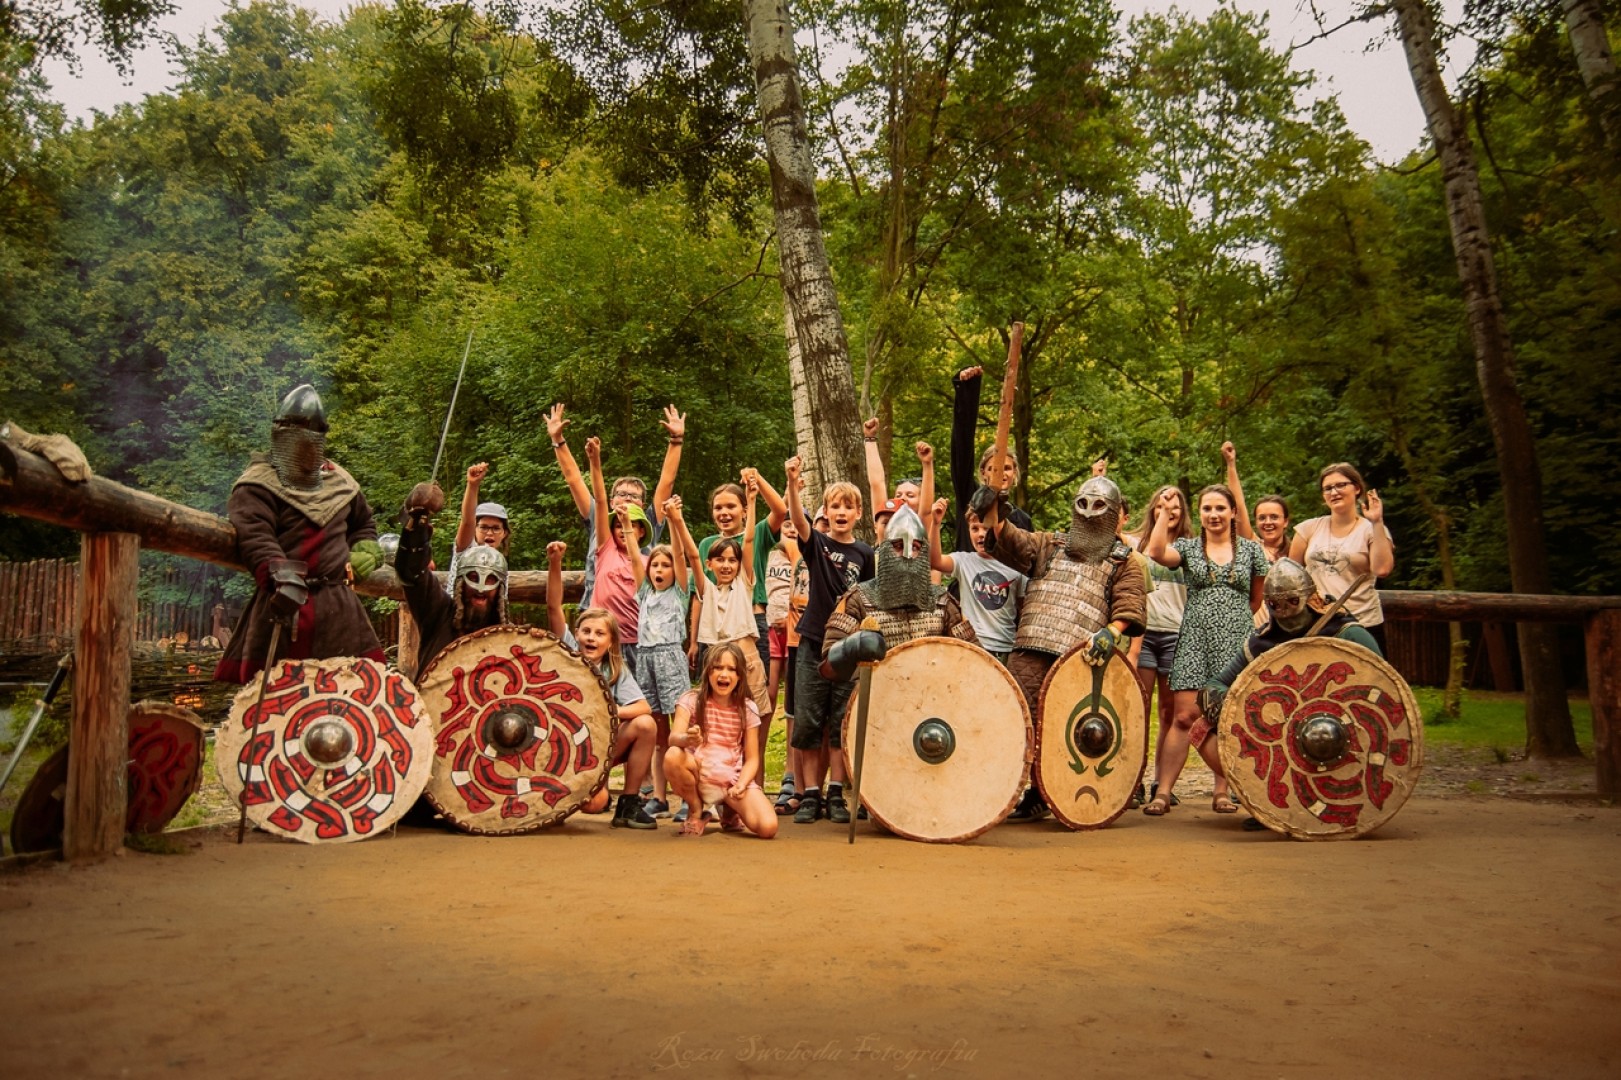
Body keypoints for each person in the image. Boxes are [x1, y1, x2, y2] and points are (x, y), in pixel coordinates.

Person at [972, 473, 1147, 821]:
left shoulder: (1123, 561)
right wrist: (996, 514)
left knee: (1062, 727)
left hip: (1080, 656)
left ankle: (1042, 794)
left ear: (1114, 512)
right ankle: (1002, 791)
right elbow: (1011, 542)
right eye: (1084, 503)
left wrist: (1111, 632)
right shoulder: (1049, 545)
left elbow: (1128, 603)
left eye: (1099, 505)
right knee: (1016, 718)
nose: (1090, 510)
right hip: (1033, 644)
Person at [215, 384, 384, 683]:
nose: (307, 437)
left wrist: (364, 549)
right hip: (282, 604)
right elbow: (256, 535)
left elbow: (363, 524)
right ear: (282, 431)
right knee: (277, 696)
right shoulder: (258, 484)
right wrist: (280, 575)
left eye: (313, 431)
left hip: (339, 607)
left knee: (351, 693)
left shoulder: (340, 482)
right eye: (300, 429)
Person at [1142, 482, 1268, 817]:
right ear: (1199, 514)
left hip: (1236, 643)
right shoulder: (1188, 547)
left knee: (1229, 718)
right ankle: (1163, 792)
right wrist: (1164, 511)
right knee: (1184, 716)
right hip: (1195, 641)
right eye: (1207, 509)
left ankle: (1222, 791)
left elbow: (1256, 599)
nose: (1214, 514)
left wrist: (1229, 620)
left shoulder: (1251, 551)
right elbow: (1156, 552)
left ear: (1233, 512)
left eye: (1220, 508)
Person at [784, 454, 875, 825]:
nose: (841, 512)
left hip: (847, 647)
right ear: (826, 511)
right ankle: (810, 794)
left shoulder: (865, 554)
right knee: (808, 720)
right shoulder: (817, 544)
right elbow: (797, 520)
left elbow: (868, 597)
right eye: (834, 506)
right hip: (811, 641)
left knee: (839, 721)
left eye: (847, 507)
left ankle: (836, 793)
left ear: (858, 513)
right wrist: (792, 483)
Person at [546, 542, 659, 830]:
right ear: (576, 634)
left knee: (646, 725)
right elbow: (554, 607)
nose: (591, 638)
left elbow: (643, 707)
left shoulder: (614, 669)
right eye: (586, 631)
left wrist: (608, 711)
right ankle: (554, 796)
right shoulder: (568, 654)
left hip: (597, 749)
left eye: (599, 634)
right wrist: (555, 563)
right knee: (593, 803)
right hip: (562, 750)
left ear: (610, 642)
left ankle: (629, 804)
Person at [546, 402, 683, 606]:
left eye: (634, 496)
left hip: (639, 612)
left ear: (642, 505)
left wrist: (676, 440)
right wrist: (558, 440)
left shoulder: (649, 523)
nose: (627, 498)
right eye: (621, 494)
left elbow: (667, 482)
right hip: (597, 611)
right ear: (611, 502)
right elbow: (574, 479)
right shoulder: (598, 518)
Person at [820, 503, 978, 668]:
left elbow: (976, 659)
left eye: (915, 547)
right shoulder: (859, 599)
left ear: (924, 553)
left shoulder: (942, 601)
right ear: (885, 550)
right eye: (898, 546)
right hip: (877, 685)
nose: (907, 555)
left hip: (931, 683)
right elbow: (828, 667)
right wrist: (853, 647)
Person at [663, 642, 779, 839]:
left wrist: (741, 784)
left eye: (731, 669)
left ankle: (729, 810)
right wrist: (688, 739)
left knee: (768, 827)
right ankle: (696, 809)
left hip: (729, 780)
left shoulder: (747, 708)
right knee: (672, 755)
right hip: (699, 773)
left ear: (740, 675)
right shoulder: (690, 699)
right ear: (707, 671)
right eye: (717, 667)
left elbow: (752, 758)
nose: (724, 674)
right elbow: (673, 738)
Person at [394, 481, 507, 681]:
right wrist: (418, 522)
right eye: (473, 578)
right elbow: (412, 573)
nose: (480, 588)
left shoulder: (507, 640)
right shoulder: (438, 612)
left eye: (490, 580)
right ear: (460, 582)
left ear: (500, 589)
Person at [630, 496, 694, 819]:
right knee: (658, 734)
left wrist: (672, 519)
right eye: (655, 565)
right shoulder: (645, 592)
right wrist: (626, 526)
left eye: (665, 565)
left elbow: (680, 554)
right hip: (645, 660)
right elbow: (634, 556)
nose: (659, 569)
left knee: (681, 730)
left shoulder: (679, 592)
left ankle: (687, 796)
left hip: (670, 658)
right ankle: (658, 796)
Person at [1128, 485, 1192, 807]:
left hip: (1176, 635)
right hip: (1143, 634)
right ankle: (1133, 782)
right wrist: (1099, 479)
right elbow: (1106, 527)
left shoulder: (1190, 548)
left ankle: (1160, 782)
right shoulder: (1136, 544)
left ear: (1184, 512)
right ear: (1152, 510)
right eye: (1162, 505)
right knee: (1139, 710)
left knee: (1169, 712)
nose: (1169, 510)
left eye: (1175, 505)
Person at [1290, 462, 1395, 651]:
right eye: (1328, 488)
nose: (1334, 492)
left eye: (1341, 485)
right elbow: (1291, 577)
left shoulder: (1371, 529)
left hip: (1363, 623)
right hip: (1319, 624)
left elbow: (1382, 569)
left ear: (1357, 488)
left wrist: (1377, 521)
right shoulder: (1308, 529)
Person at [584, 435, 653, 671]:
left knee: (636, 691)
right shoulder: (606, 551)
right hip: (602, 639)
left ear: (642, 531)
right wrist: (595, 462)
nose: (624, 529)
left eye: (632, 525)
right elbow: (601, 501)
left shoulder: (647, 562)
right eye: (620, 525)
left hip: (637, 641)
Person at [926, 497, 1024, 663]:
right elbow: (934, 561)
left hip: (1005, 648)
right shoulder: (964, 561)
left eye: (986, 528)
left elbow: (1023, 610)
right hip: (970, 645)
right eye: (974, 528)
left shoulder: (1016, 566)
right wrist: (935, 524)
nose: (981, 534)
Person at [950, 366, 1033, 551]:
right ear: (983, 473)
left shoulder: (1022, 520)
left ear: (1015, 473)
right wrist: (968, 391)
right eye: (993, 468)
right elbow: (962, 449)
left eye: (1006, 468)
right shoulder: (970, 499)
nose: (1000, 473)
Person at [444, 461, 511, 596]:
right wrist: (473, 485)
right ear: (474, 529)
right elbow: (467, 521)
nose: (489, 533)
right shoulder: (466, 552)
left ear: (504, 533)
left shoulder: (500, 563)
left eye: (496, 528)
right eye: (484, 527)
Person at [1221, 440, 1290, 564]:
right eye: (1262, 518)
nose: (1268, 522)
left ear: (1285, 521)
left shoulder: (1297, 550)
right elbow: (1238, 506)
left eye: (1274, 517)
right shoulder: (1252, 547)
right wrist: (1231, 464)